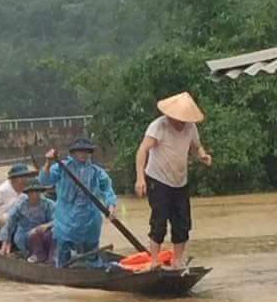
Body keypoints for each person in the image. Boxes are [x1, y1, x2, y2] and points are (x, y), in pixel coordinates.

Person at [135, 92, 212, 270]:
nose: (182, 122)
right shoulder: (158, 126)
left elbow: (196, 146)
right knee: (159, 221)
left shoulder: (191, 127)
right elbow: (142, 150)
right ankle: (155, 260)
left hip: (180, 181)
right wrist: (140, 178)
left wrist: (203, 155)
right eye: (179, 119)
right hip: (158, 179)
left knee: (182, 223)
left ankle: (177, 260)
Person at [40, 139, 117, 268]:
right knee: (63, 249)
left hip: (90, 217)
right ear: (74, 153)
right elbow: (44, 180)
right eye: (80, 151)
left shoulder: (96, 171)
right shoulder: (62, 167)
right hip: (66, 217)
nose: (83, 154)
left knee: (91, 251)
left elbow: (107, 189)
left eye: (86, 151)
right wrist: (48, 162)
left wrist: (111, 206)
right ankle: (62, 270)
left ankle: (93, 267)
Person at [0, 180, 55, 262]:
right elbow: (10, 222)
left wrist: (46, 225)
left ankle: (52, 258)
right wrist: (5, 243)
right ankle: (36, 254)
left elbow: (57, 220)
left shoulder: (49, 204)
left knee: (53, 233)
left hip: (43, 234)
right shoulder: (21, 206)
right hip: (24, 237)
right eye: (32, 192)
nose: (35, 195)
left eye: (37, 191)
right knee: (34, 234)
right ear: (28, 193)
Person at [0, 163, 33, 238]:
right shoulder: (4, 190)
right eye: (22, 176)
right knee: (7, 218)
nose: (25, 179)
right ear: (15, 178)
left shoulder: (25, 187)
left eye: (26, 176)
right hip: (3, 221)